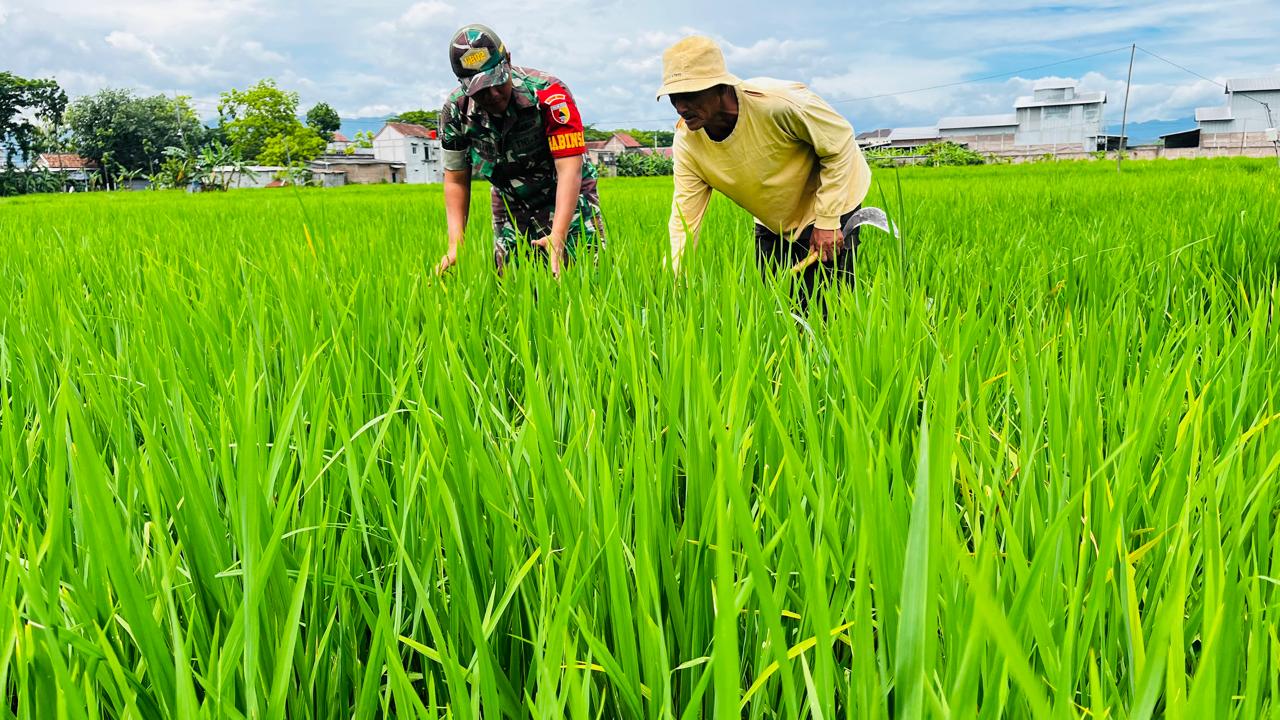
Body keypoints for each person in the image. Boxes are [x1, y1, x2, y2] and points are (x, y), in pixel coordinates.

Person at [658, 35, 872, 302]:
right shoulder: (688, 143)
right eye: (673, 97)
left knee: (824, 307)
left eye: (690, 95)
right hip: (774, 216)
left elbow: (840, 142)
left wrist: (828, 221)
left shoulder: (779, 104)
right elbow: (684, 219)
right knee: (771, 304)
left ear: (721, 87)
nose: (680, 107)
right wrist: (676, 283)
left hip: (831, 198)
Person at [436, 24, 605, 277]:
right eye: (481, 90)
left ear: (508, 61)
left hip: (566, 190)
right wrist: (455, 245)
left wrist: (558, 234)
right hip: (510, 200)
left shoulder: (550, 93)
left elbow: (570, 167)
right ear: (464, 85)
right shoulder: (455, 111)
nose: (493, 94)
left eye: (497, 81)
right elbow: (456, 179)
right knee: (514, 281)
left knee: (585, 275)